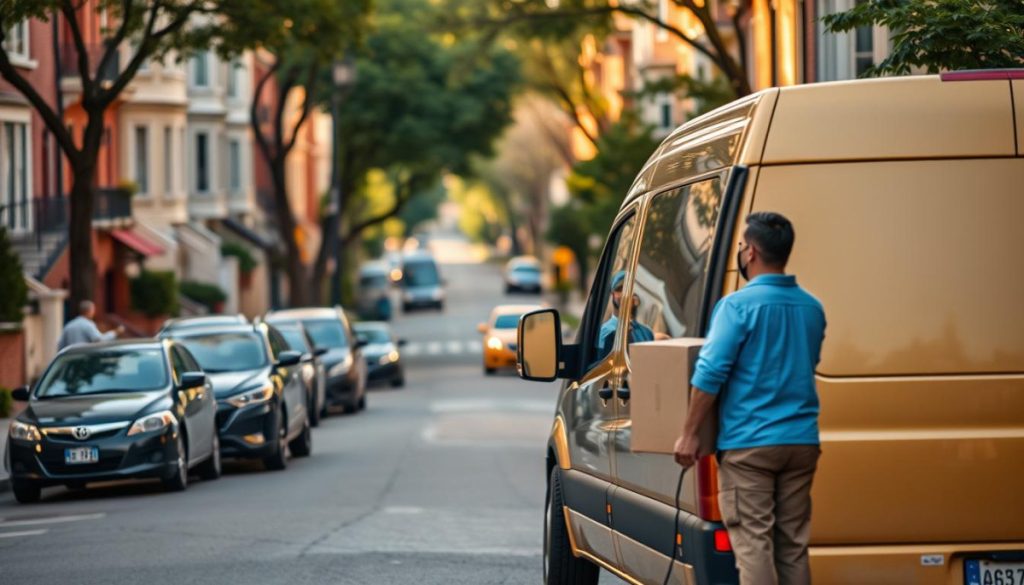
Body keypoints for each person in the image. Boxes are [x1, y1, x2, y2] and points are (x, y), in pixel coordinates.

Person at [674, 212, 826, 585]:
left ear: (752, 252)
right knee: (792, 547)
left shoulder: (737, 307)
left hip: (750, 446)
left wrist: (690, 433)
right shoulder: (812, 308)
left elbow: (710, 373)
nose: (741, 252)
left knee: (753, 545)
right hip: (801, 442)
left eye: (742, 247)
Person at [596, 270, 655, 360]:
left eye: (628, 289)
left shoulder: (647, 332)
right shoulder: (605, 332)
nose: (624, 294)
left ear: (634, 296)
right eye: (619, 289)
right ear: (612, 294)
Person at [57, 300, 124, 351]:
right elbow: (99, 340)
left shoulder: (69, 325)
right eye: (93, 310)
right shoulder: (87, 324)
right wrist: (115, 332)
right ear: (89, 311)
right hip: (85, 357)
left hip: (71, 360)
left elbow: (60, 345)